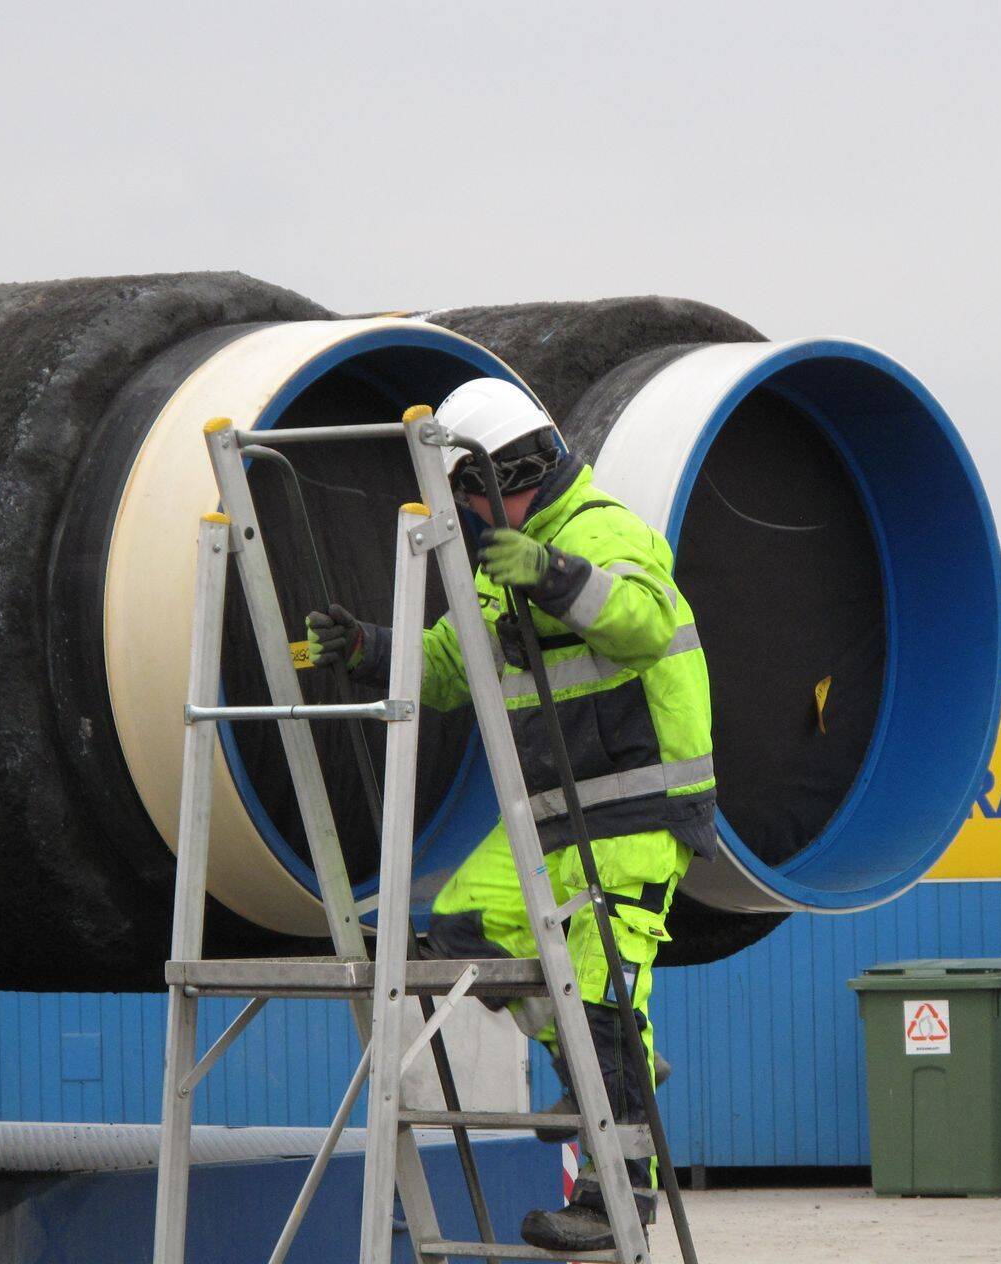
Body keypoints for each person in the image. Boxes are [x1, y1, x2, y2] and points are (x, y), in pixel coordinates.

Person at [305, 377, 716, 1253]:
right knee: (461, 928)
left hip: (639, 807)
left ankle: (615, 1202)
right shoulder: (502, 560)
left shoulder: (597, 530)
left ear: (503, 475)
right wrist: (368, 649)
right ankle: (601, 1065)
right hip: (559, 817)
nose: (460, 508)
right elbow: (451, 665)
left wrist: (557, 576)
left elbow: (642, 620)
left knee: (601, 995)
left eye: (464, 489)